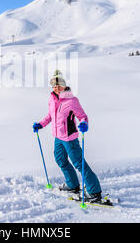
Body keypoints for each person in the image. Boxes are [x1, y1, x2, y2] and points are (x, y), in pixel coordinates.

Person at [33, 70, 103, 202]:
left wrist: (84, 124)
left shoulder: (72, 101)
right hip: (58, 137)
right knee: (60, 160)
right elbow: (50, 116)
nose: (56, 88)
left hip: (70, 139)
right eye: (54, 86)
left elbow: (82, 116)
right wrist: (41, 124)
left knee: (79, 163)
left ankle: (95, 192)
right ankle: (72, 185)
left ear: (64, 85)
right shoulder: (52, 99)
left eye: (59, 85)